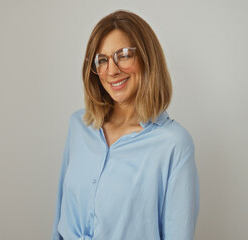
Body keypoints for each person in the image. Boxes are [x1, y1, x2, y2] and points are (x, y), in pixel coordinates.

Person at [52, 10, 199, 240]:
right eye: (102, 60)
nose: (112, 70)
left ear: (147, 57)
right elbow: (60, 220)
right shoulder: (79, 127)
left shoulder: (174, 145)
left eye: (124, 55)